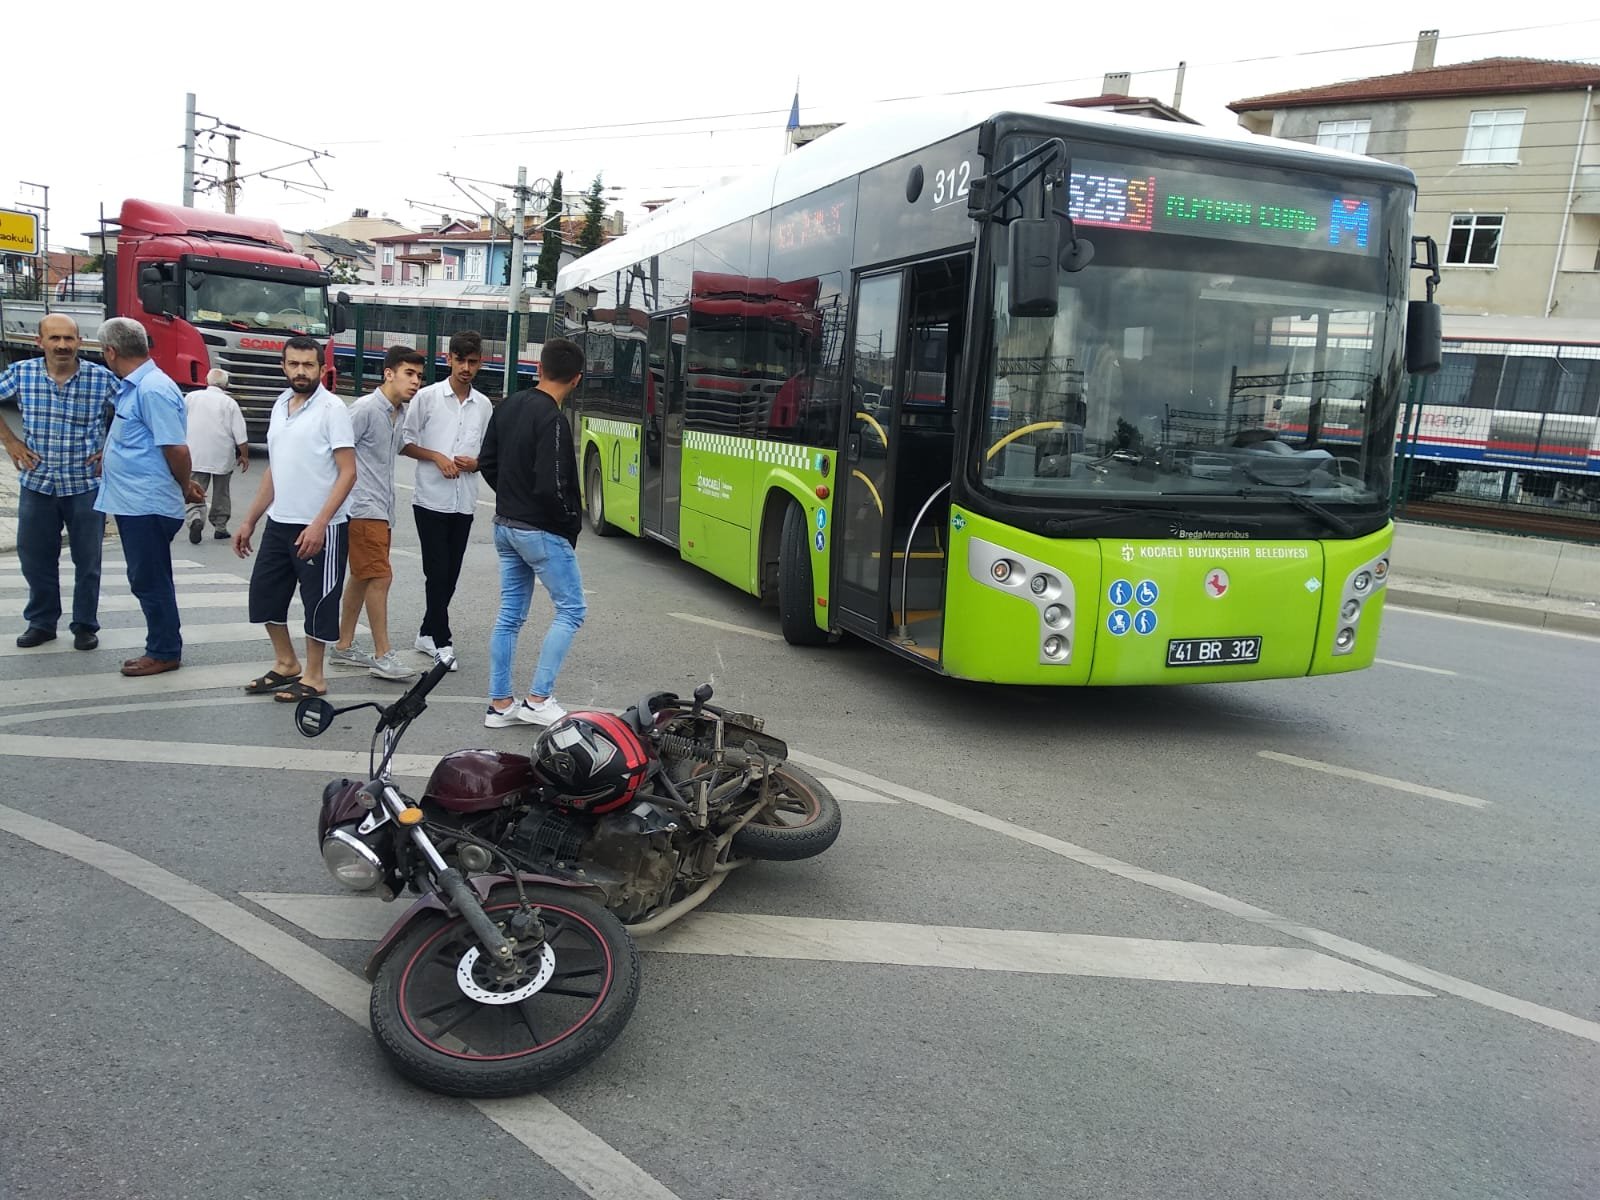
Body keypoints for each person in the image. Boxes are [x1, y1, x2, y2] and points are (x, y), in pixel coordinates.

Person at [233, 336, 356, 702]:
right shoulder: (280, 404)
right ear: (283, 366)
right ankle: (286, 663)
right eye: (294, 364)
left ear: (322, 368)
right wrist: (250, 519)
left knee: (318, 601)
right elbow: (276, 467)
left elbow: (348, 472)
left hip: (322, 526)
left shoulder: (332, 409)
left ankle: (315, 676)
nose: (301, 371)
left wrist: (320, 523)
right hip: (279, 521)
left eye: (309, 365)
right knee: (264, 595)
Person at [479, 337, 587, 728]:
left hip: (505, 524)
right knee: (572, 609)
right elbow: (553, 484)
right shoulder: (553, 418)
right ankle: (539, 698)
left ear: (538, 368)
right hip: (540, 530)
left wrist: (510, 494)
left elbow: (487, 461)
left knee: (510, 615)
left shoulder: (507, 405)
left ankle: (500, 704)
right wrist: (570, 521)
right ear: (577, 379)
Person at [93, 317, 207, 677]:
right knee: (147, 577)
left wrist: (185, 485)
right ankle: (161, 645)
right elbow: (142, 441)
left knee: (150, 579)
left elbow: (176, 449)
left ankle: (164, 650)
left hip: (147, 504)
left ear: (110, 352)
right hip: (133, 501)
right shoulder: (137, 386)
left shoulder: (152, 388)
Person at [0, 313, 117, 651]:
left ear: (80, 342)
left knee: (88, 560)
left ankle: (84, 625)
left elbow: (134, 414)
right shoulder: (22, 374)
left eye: (69, 339)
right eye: (55, 339)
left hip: (84, 485)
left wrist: (111, 448)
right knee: (34, 557)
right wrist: (10, 441)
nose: (63, 345)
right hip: (37, 483)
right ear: (41, 343)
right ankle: (41, 622)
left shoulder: (101, 379)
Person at [329, 344, 426, 682]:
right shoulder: (366, 409)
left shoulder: (396, 413)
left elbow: (398, 449)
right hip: (362, 507)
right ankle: (383, 654)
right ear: (389, 373)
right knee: (380, 577)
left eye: (419, 376)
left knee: (361, 577)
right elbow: (336, 451)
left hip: (381, 509)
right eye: (409, 374)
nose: (415, 382)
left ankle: (342, 646)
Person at [401, 330, 488, 671]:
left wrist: (476, 463)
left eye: (473, 361)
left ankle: (426, 631)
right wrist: (437, 457)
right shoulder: (427, 398)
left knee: (450, 573)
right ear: (448, 358)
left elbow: (487, 453)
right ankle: (442, 640)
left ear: (480, 362)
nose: (466, 368)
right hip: (430, 500)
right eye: (460, 360)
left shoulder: (482, 406)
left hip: (464, 501)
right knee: (435, 571)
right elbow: (405, 442)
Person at [184, 368, 248, 543]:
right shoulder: (229, 403)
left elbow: (179, 421)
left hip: (195, 453)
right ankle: (220, 526)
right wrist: (244, 455)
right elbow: (240, 434)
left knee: (195, 488)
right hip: (222, 454)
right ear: (226, 384)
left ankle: (195, 518)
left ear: (206, 380)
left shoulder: (191, 398)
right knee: (222, 491)